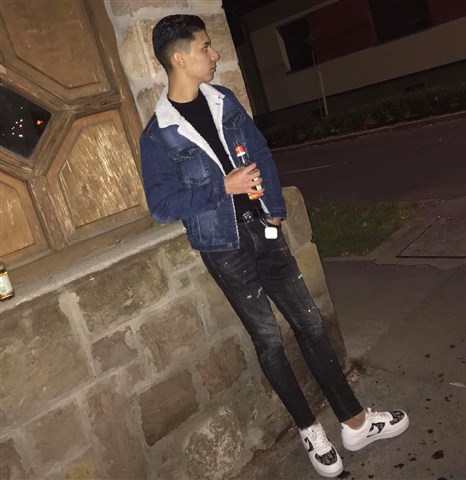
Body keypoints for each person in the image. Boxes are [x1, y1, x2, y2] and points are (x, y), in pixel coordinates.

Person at [140, 14, 409, 478]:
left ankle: (355, 423)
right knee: (268, 340)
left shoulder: (223, 100)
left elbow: (260, 151)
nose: (215, 54)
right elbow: (162, 206)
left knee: (310, 324)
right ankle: (310, 430)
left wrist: (276, 209)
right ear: (179, 58)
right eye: (205, 47)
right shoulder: (157, 134)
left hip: (264, 227)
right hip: (223, 246)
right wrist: (222, 187)